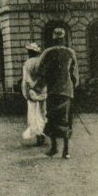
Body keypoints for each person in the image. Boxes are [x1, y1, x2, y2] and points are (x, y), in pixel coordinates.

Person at [39, 28, 79, 159]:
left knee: (51, 119)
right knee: (66, 121)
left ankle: (54, 147)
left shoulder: (47, 52)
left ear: (53, 39)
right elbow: (75, 75)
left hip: (52, 91)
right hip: (67, 92)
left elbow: (40, 70)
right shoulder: (70, 52)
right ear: (64, 39)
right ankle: (66, 151)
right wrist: (73, 86)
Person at [21, 42, 46, 146]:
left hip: (32, 91)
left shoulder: (27, 64)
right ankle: (43, 133)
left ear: (30, 52)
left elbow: (25, 80)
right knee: (42, 113)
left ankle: (38, 136)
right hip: (43, 90)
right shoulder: (42, 62)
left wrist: (25, 93)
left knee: (33, 114)